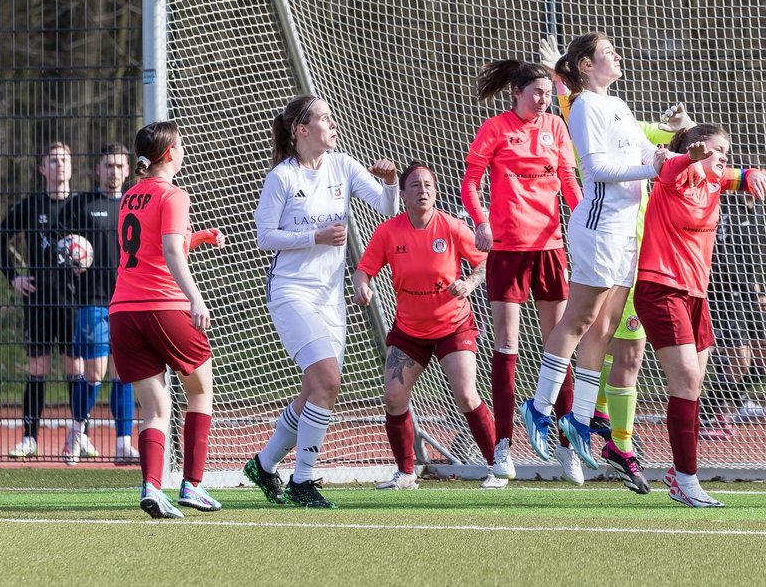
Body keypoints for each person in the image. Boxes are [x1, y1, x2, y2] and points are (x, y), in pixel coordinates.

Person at [537, 33, 695, 494]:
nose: (619, 56)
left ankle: (613, 441)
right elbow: (592, 135)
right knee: (592, 330)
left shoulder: (626, 115)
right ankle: (576, 421)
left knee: (626, 351)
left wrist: (685, 127)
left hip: (642, 249)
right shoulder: (591, 108)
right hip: (607, 236)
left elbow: (685, 147)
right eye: (608, 52)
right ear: (585, 65)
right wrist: (560, 79)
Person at [243, 95, 401, 509]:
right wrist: (311, 237)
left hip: (330, 299)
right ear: (301, 130)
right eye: (324, 119)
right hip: (291, 293)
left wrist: (390, 181)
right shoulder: (282, 177)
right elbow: (264, 237)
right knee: (329, 380)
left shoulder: (343, 165)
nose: (332, 124)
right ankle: (303, 480)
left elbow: (387, 207)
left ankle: (263, 464)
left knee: (315, 388)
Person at [633, 123, 766, 507]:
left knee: (693, 386)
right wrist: (691, 156)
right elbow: (670, 168)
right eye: (717, 148)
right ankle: (688, 480)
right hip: (660, 289)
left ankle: (680, 475)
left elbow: (744, 175)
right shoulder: (680, 174)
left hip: (696, 295)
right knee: (687, 379)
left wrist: (754, 175)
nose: (724, 154)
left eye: (727, 148)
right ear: (696, 148)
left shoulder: (715, 180)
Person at [461, 60, 582, 484]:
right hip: (509, 250)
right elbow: (471, 182)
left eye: (548, 93)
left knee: (559, 346)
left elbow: (569, 181)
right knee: (507, 345)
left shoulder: (556, 128)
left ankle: (568, 449)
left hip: (551, 248)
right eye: (536, 92)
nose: (544, 99)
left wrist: (583, 223)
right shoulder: (495, 128)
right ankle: (502, 450)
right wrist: (482, 221)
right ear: (516, 92)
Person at [355, 162, 502, 489]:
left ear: (435, 193)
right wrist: (361, 285)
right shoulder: (388, 231)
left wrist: (469, 284)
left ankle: (498, 466)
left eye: (428, 185)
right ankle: (407, 474)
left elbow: (483, 261)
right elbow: (363, 270)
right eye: (416, 186)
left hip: (454, 325)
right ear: (404, 195)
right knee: (393, 396)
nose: (423, 190)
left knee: (466, 395)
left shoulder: (450, 226)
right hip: (410, 331)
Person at [110, 121, 225, 518]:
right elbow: (171, 255)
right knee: (200, 390)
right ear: (171, 152)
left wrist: (199, 238)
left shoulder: (130, 195)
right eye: (181, 144)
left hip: (124, 313)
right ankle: (192, 485)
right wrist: (195, 298)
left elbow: (151, 249)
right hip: (164, 306)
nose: (184, 148)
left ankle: (152, 487)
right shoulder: (175, 194)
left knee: (155, 408)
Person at [0, 141, 81, 460]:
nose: (61, 165)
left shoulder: (82, 205)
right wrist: (13, 277)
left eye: (65, 160)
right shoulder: (30, 206)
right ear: (43, 168)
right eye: (54, 160)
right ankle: (30, 437)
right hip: (38, 303)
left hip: (74, 304)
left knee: (76, 370)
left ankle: (78, 434)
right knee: (37, 370)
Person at [58, 142, 140, 465]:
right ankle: (77, 431)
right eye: (109, 166)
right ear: (98, 169)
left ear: (127, 171)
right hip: (91, 300)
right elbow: (58, 243)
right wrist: (69, 253)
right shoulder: (80, 204)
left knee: (124, 373)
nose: (115, 172)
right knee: (95, 372)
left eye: (121, 167)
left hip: (127, 299)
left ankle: (123, 444)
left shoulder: (134, 203)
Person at [701, 188, 766, 438]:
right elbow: (717, 255)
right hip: (722, 292)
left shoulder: (756, 211)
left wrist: (758, 293)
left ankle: (739, 401)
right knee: (740, 360)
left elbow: (750, 260)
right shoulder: (724, 208)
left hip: (748, 292)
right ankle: (703, 417)